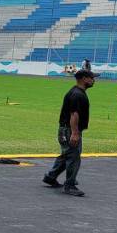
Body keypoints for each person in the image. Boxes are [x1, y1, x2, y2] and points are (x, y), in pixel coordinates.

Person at [43, 69, 96, 197]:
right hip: (69, 129)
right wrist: (75, 133)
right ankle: (70, 185)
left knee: (67, 155)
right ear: (84, 78)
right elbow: (74, 114)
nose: (94, 80)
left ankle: (51, 176)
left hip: (66, 129)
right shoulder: (77, 94)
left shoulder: (77, 92)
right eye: (92, 77)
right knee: (73, 157)